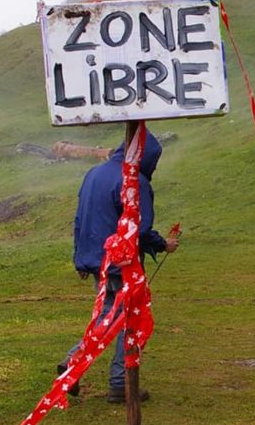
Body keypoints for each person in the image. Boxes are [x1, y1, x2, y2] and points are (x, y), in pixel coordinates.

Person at [58, 130, 178, 403]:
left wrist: (81, 257)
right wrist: (163, 245)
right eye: (154, 163)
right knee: (126, 319)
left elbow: (80, 219)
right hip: (121, 264)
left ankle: (75, 368)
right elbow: (141, 229)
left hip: (96, 260)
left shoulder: (94, 174)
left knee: (108, 317)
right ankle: (115, 381)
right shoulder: (135, 181)